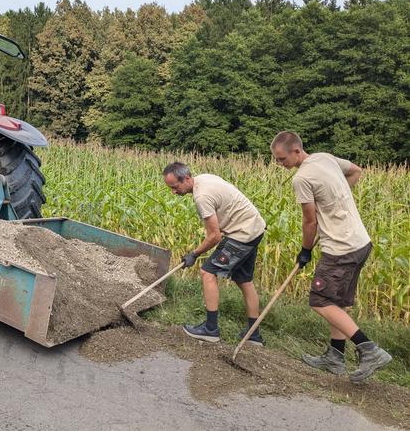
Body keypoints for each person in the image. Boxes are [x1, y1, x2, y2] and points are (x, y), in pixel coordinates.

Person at [270, 131, 391, 382]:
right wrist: (337, 200)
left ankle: (369, 349)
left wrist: (304, 251)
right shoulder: (325, 158)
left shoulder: (301, 178)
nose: (280, 164)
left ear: (296, 151)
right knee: (337, 303)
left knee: (320, 301)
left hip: (340, 248)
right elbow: (356, 171)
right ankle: (335, 356)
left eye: (282, 159)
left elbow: (309, 220)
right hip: (360, 243)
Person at [163, 162, 266, 345]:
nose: (174, 192)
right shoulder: (203, 178)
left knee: (207, 272)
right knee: (244, 280)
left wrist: (193, 254)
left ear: (186, 179)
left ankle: (210, 329)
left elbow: (214, 236)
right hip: (254, 228)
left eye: (175, 187)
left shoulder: (201, 197)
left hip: (242, 233)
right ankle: (253, 334)